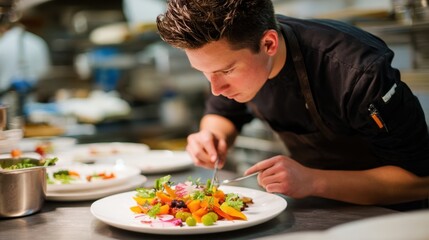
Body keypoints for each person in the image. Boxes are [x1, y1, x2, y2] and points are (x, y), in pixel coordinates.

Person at [156, 0, 429, 210]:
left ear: (268, 43)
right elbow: (222, 112)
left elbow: (419, 182)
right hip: (321, 209)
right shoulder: (228, 53)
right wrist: (212, 136)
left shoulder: (356, 72)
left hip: (393, 216)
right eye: (204, 72)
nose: (216, 87)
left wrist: (313, 180)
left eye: (226, 71)